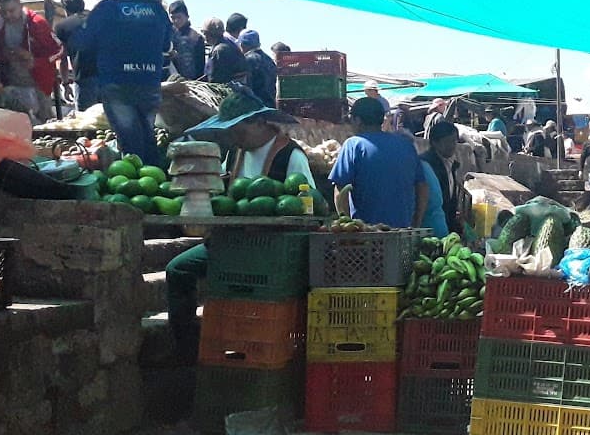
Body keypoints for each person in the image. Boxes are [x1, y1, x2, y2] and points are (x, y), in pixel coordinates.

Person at [162, 89, 312, 362]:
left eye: (237, 128)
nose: (232, 135)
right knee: (178, 270)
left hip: (270, 250)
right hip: (231, 243)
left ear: (259, 123)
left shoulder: (290, 155)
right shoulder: (234, 154)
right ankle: (186, 349)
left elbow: (309, 207)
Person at [73, 0, 173, 167]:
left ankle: (139, 183)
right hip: (149, 82)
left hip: (117, 82)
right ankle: (155, 177)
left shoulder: (105, 9)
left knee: (130, 141)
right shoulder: (157, 10)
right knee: (147, 132)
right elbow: (166, 45)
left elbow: (84, 44)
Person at [330, 98, 426, 227]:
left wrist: (348, 225)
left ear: (357, 120)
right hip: (402, 233)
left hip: (366, 236)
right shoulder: (406, 145)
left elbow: (340, 190)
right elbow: (422, 187)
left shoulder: (353, 145)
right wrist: (417, 222)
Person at [0, 0, 60, 122]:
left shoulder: (37, 23)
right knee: (12, 122)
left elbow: (58, 50)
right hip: (9, 81)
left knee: (44, 122)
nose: (8, 15)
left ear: (20, 5)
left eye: (12, 10)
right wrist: (4, 55)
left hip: (38, 82)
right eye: (3, 11)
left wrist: (35, 61)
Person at [422, 120, 470, 236]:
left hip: (445, 227)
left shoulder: (451, 164)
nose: (453, 145)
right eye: (448, 141)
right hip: (428, 229)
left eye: (454, 141)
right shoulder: (426, 165)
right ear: (435, 142)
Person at [51, 0, 98, 111]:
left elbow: (63, 58)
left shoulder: (62, 26)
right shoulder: (99, 19)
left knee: (85, 120)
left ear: (65, 9)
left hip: (84, 78)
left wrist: (66, 84)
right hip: (109, 77)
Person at [166, 0, 206, 80]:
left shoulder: (196, 38)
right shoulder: (167, 35)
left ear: (187, 16)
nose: (176, 21)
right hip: (169, 81)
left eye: (179, 17)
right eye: (173, 18)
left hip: (191, 83)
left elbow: (200, 66)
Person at [202, 18, 247, 85]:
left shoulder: (219, 50)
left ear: (209, 34)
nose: (204, 37)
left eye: (205, 33)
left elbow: (218, 79)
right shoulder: (229, 44)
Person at [239, 30, 277, 108]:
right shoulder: (269, 60)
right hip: (270, 106)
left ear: (243, 45)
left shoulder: (247, 60)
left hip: (255, 108)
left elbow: (246, 87)